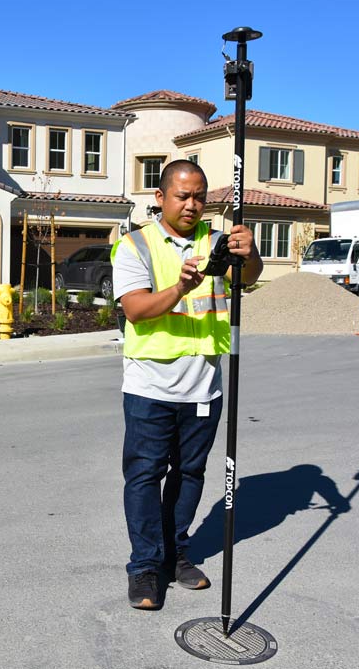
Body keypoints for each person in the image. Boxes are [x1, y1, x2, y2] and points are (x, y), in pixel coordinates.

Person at [112, 159, 263, 610]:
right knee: (144, 477)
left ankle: (176, 555)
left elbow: (248, 278)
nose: (193, 205)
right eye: (182, 196)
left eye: (199, 196)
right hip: (150, 388)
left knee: (190, 475)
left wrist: (250, 252)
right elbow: (136, 310)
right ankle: (144, 567)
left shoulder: (219, 242)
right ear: (160, 198)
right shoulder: (134, 246)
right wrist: (178, 288)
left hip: (204, 387)